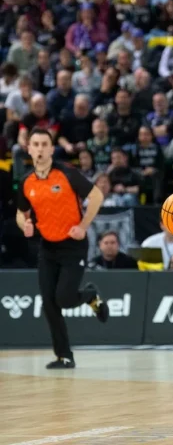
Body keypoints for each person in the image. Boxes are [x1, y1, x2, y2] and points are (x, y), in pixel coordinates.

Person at [15, 128, 109, 369]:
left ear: (51, 149)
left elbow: (97, 196)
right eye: (35, 144)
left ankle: (90, 295)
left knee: (65, 299)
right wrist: (25, 225)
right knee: (49, 304)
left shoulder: (67, 173)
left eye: (44, 144)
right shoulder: (26, 181)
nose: (40, 149)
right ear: (29, 149)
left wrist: (83, 225)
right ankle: (64, 356)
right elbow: (21, 213)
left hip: (73, 246)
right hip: (48, 248)